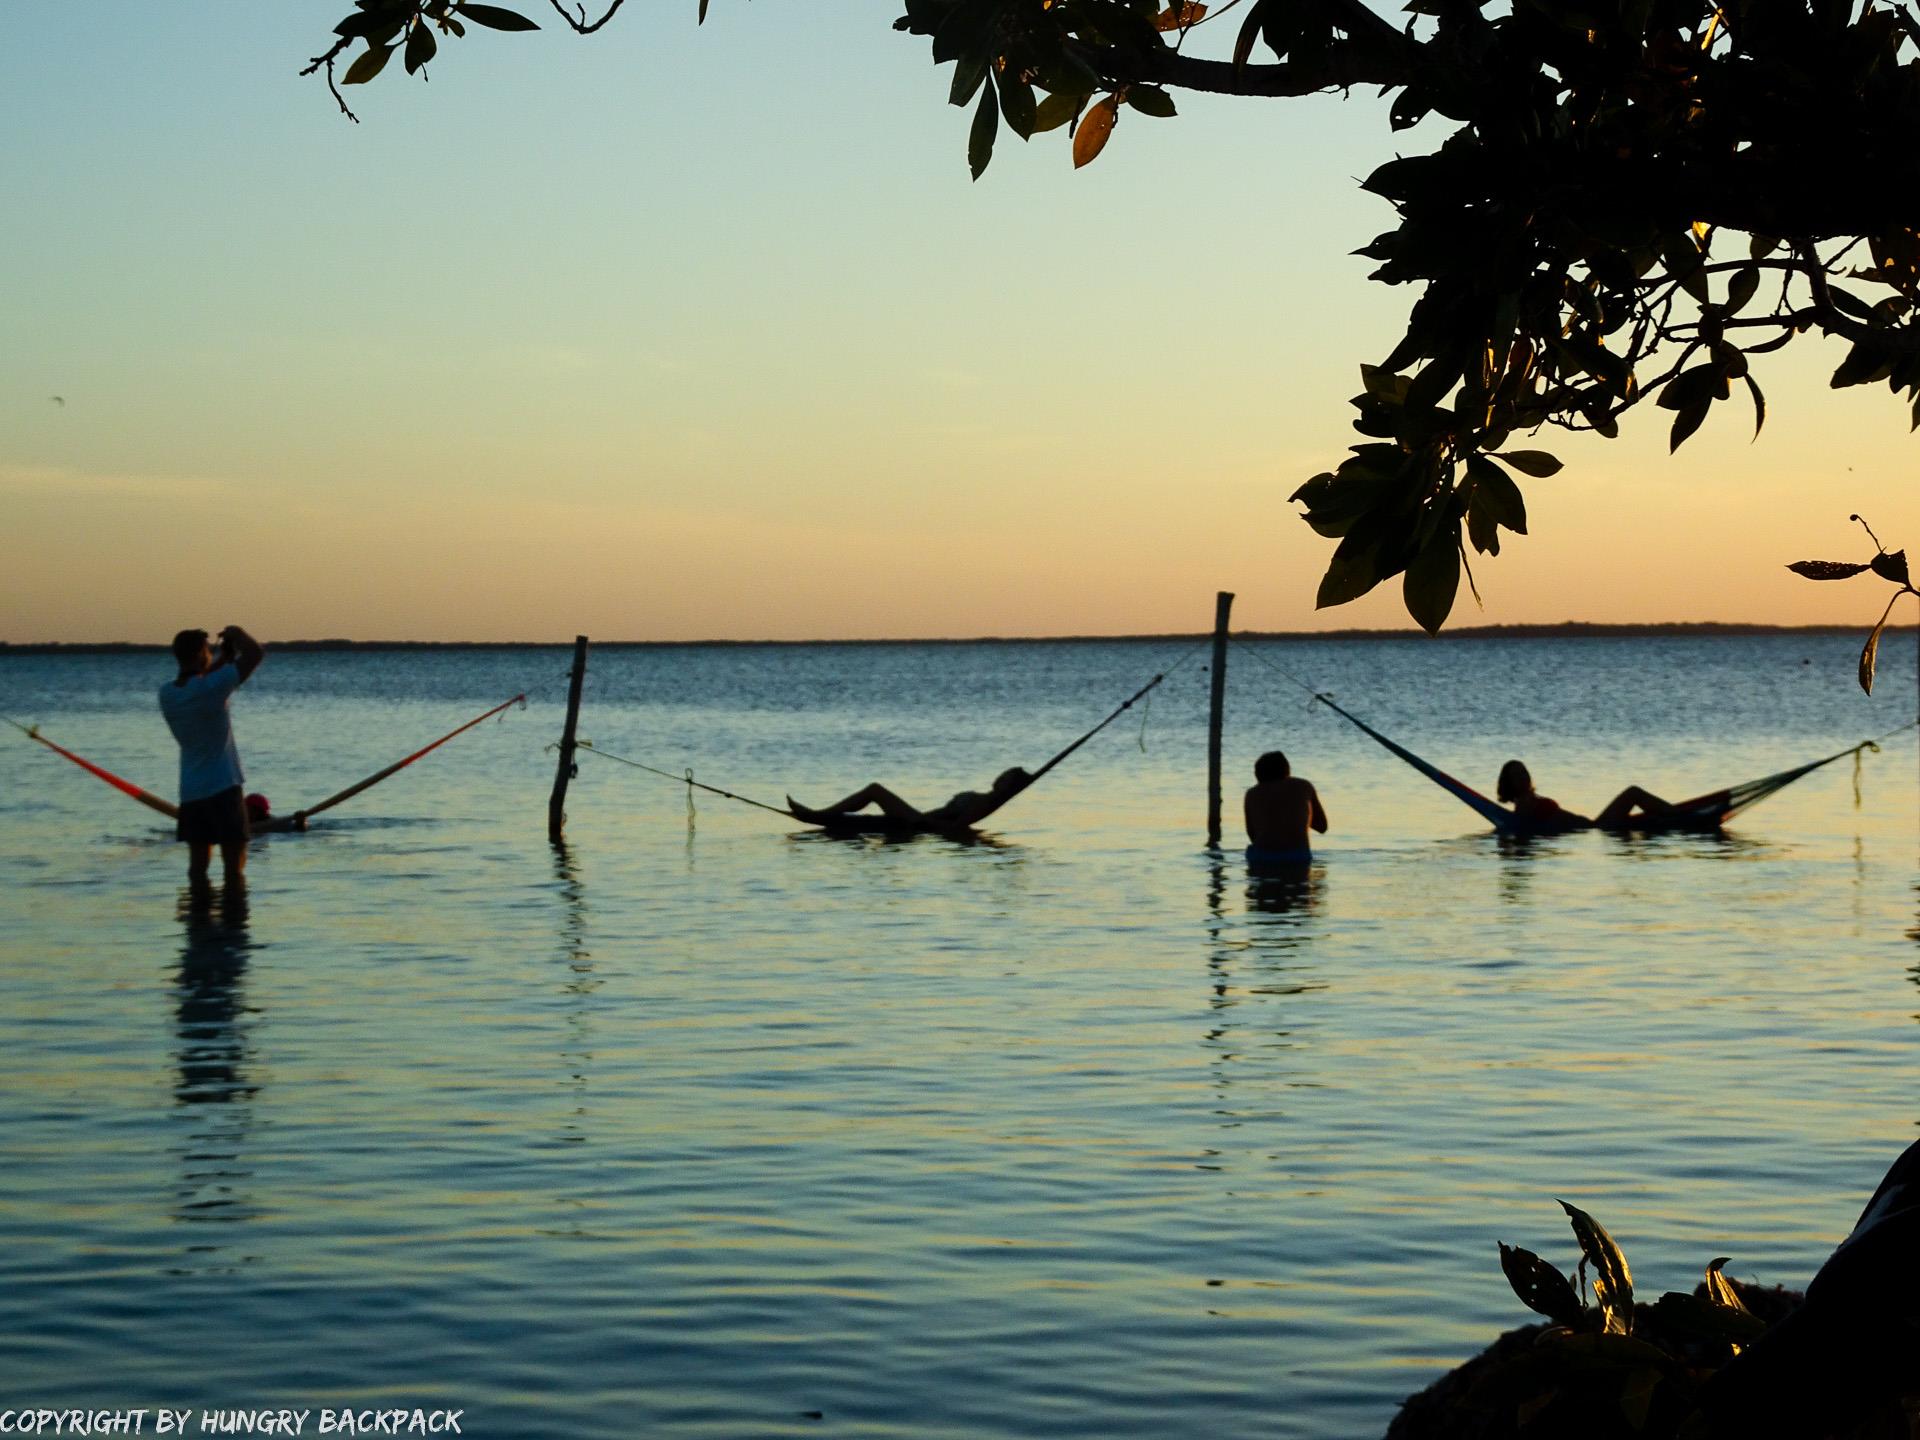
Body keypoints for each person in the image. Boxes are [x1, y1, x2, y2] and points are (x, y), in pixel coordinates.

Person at [159, 625, 264, 898]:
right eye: (207, 651)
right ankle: (233, 915)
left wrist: (222, 660)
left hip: (191, 791)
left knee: (197, 867)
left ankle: (198, 915)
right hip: (223, 786)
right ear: (199, 654)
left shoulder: (167, 693)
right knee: (233, 868)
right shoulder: (212, 687)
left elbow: (200, 680)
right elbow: (255, 654)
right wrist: (237, 633)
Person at [790, 767, 1033, 831]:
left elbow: (956, 827)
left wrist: (925, 824)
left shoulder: (983, 802)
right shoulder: (985, 799)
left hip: (919, 822)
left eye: (1006, 776)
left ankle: (819, 815)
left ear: (1009, 785)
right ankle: (823, 815)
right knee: (874, 792)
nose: (1000, 775)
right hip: (919, 819)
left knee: (875, 790)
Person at [1495, 759, 1685, 833]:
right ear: (1509, 783)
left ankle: (1669, 817)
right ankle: (1680, 816)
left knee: (1638, 801)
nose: (1523, 776)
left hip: (1591, 826)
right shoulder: (1523, 806)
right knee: (1633, 792)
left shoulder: (1530, 801)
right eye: (1517, 775)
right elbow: (1521, 827)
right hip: (1595, 828)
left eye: (1524, 771)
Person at [1244, 750, 1328, 862]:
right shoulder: (1304, 786)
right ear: (1287, 770)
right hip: (1298, 856)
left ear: (1258, 774)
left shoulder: (1252, 793)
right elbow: (1322, 827)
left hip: (1262, 856)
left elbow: (1252, 835)